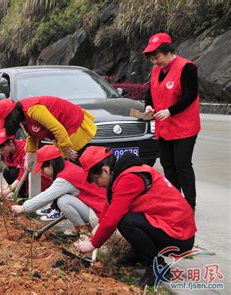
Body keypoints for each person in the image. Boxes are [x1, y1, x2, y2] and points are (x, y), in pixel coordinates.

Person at [75, 146, 196, 287]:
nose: (97, 185)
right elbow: (107, 211)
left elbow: (111, 220)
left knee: (125, 221)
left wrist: (92, 244)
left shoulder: (129, 178)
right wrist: (94, 235)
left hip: (179, 236)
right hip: (169, 227)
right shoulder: (120, 174)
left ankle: (156, 266)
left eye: (95, 180)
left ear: (105, 170)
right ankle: (140, 253)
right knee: (128, 217)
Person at [142, 32, 200, 211]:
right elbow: (150, 93)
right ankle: (175, 201)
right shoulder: (156, 70)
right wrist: (148, 106)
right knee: (167, 164)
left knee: (182, 164)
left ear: (167, 51)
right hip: (164, 126)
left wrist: (170, 111)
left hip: (185, 127)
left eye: (157, 57)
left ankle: (189, 204)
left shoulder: (186, 67)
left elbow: (191, 95)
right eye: (151, 58)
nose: (155, 62)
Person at [11, 145, 107, 237]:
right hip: (98, 209)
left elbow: (46, 196)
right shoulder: (68, 166)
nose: (43, 172)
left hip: (99, 214)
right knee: (64, 199)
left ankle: (84, 233)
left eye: (44, 168)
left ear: (52, 164)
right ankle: (80, 228)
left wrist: (23, 208)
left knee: (63, 201)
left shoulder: (65, 177)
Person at [0, 96, 96, 170]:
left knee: (74, 165)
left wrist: (66, 149)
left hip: (74, 127)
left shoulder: (33, 110)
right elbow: (32, 134)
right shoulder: (23, 116)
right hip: (63, 135)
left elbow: (57, 128)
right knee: (63, 165)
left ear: (12, 116)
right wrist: (29, 154)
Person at [0, 128, 53, 202]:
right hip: (25, 179)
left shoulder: (25, 150)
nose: (0, 152)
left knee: (14, 173)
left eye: (1, 149)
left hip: (38, 181)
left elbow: (22, 174)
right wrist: (6, 189)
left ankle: (25, 197)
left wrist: (8, 191)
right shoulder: (7, 152)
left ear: (11, 143)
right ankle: (20, 195)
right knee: (7, 172)